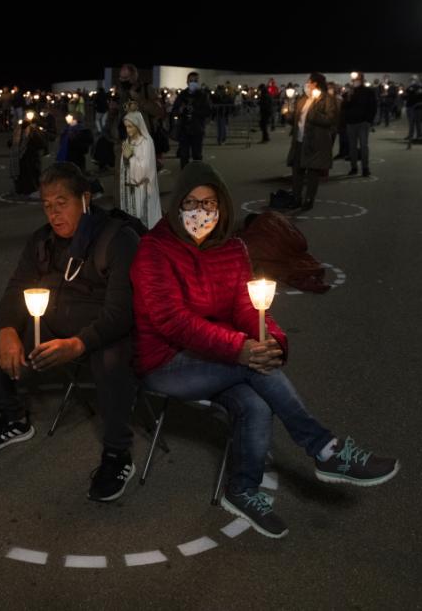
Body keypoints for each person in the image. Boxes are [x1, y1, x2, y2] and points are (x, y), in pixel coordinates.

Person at [130, 161, 399, 538]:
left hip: (220, 356)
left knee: (256, 402)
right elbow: (172, 321)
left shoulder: (233, 248)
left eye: (209, 203)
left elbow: (249, 307)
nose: (199, 212)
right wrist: (242, 350)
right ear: (176, 206)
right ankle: (325, 449)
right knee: (254, 367)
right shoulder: (154, 250)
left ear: (222, 206)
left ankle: (241, 490)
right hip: (166, 361)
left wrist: (272, 341)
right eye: (190, 202)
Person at [0, 162, 140, 501]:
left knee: (110, 359)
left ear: (85, 199)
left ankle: (117, 453)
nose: (53, 213)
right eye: (47, 205)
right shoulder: (42, 241)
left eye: (61, 202)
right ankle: (13, 419)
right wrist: (7, 328)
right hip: (53, 323)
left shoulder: (117, 239)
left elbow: (121, 314)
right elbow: (17, 286)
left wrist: (80, 344)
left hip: (101, 332)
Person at [286, 73, 338, 211]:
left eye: (309, 82)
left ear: (316, 84)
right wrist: (288, 114)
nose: (307, 84)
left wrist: (314, 113)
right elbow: (296, 119)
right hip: (299, 140)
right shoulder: (303, 99)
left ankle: (309, 199)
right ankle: (296, 198)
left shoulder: (327, 99)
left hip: (315, 141)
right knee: (297, 171)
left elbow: (330, 120)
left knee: (312, 173)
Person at [119, 111, 160, 230]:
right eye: (126, 126)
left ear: (138, 125)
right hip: (129, 188)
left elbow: (145, 169)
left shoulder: (146, 142)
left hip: (142, 188)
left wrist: (130, 157)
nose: (127, 130)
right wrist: (126, 159)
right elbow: (124, 166)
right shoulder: (128, 141)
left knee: (142, 218)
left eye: (130, 126)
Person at [170, 72, 211, 170]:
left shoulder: (202, 95)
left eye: (195, 81)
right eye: (191, 81)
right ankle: (185, 175)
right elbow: (174, 110)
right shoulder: (182, 95)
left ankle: (197, 175)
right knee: (184, 155)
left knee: (197, 155)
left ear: (198, 82)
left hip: (197, 129)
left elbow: (208, 111)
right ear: (187, 82)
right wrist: (180, 110)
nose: (193, 83)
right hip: (184, 129)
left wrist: (195, 110)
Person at [8, 114, 48, 199]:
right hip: (23, 157)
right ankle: (22, 189)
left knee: (31, 174)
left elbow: (41, 143)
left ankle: (31, 190)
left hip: (31, 157)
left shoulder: (33, 130)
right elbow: (11, 142)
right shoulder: (19, 130)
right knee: (24, 174)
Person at [344, 74, 377, 177]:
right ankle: (353, 167)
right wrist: (348, 96)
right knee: (352, 146)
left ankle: (365, 168)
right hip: (351, 123)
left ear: (362, 80)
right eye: (353, 80)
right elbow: (344, 106)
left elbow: (373, 106)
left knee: (363, 146)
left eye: (357, 79)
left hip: (363, 122)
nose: (355, 81)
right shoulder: (349, 92)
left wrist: (369, 120)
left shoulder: (368, 92)